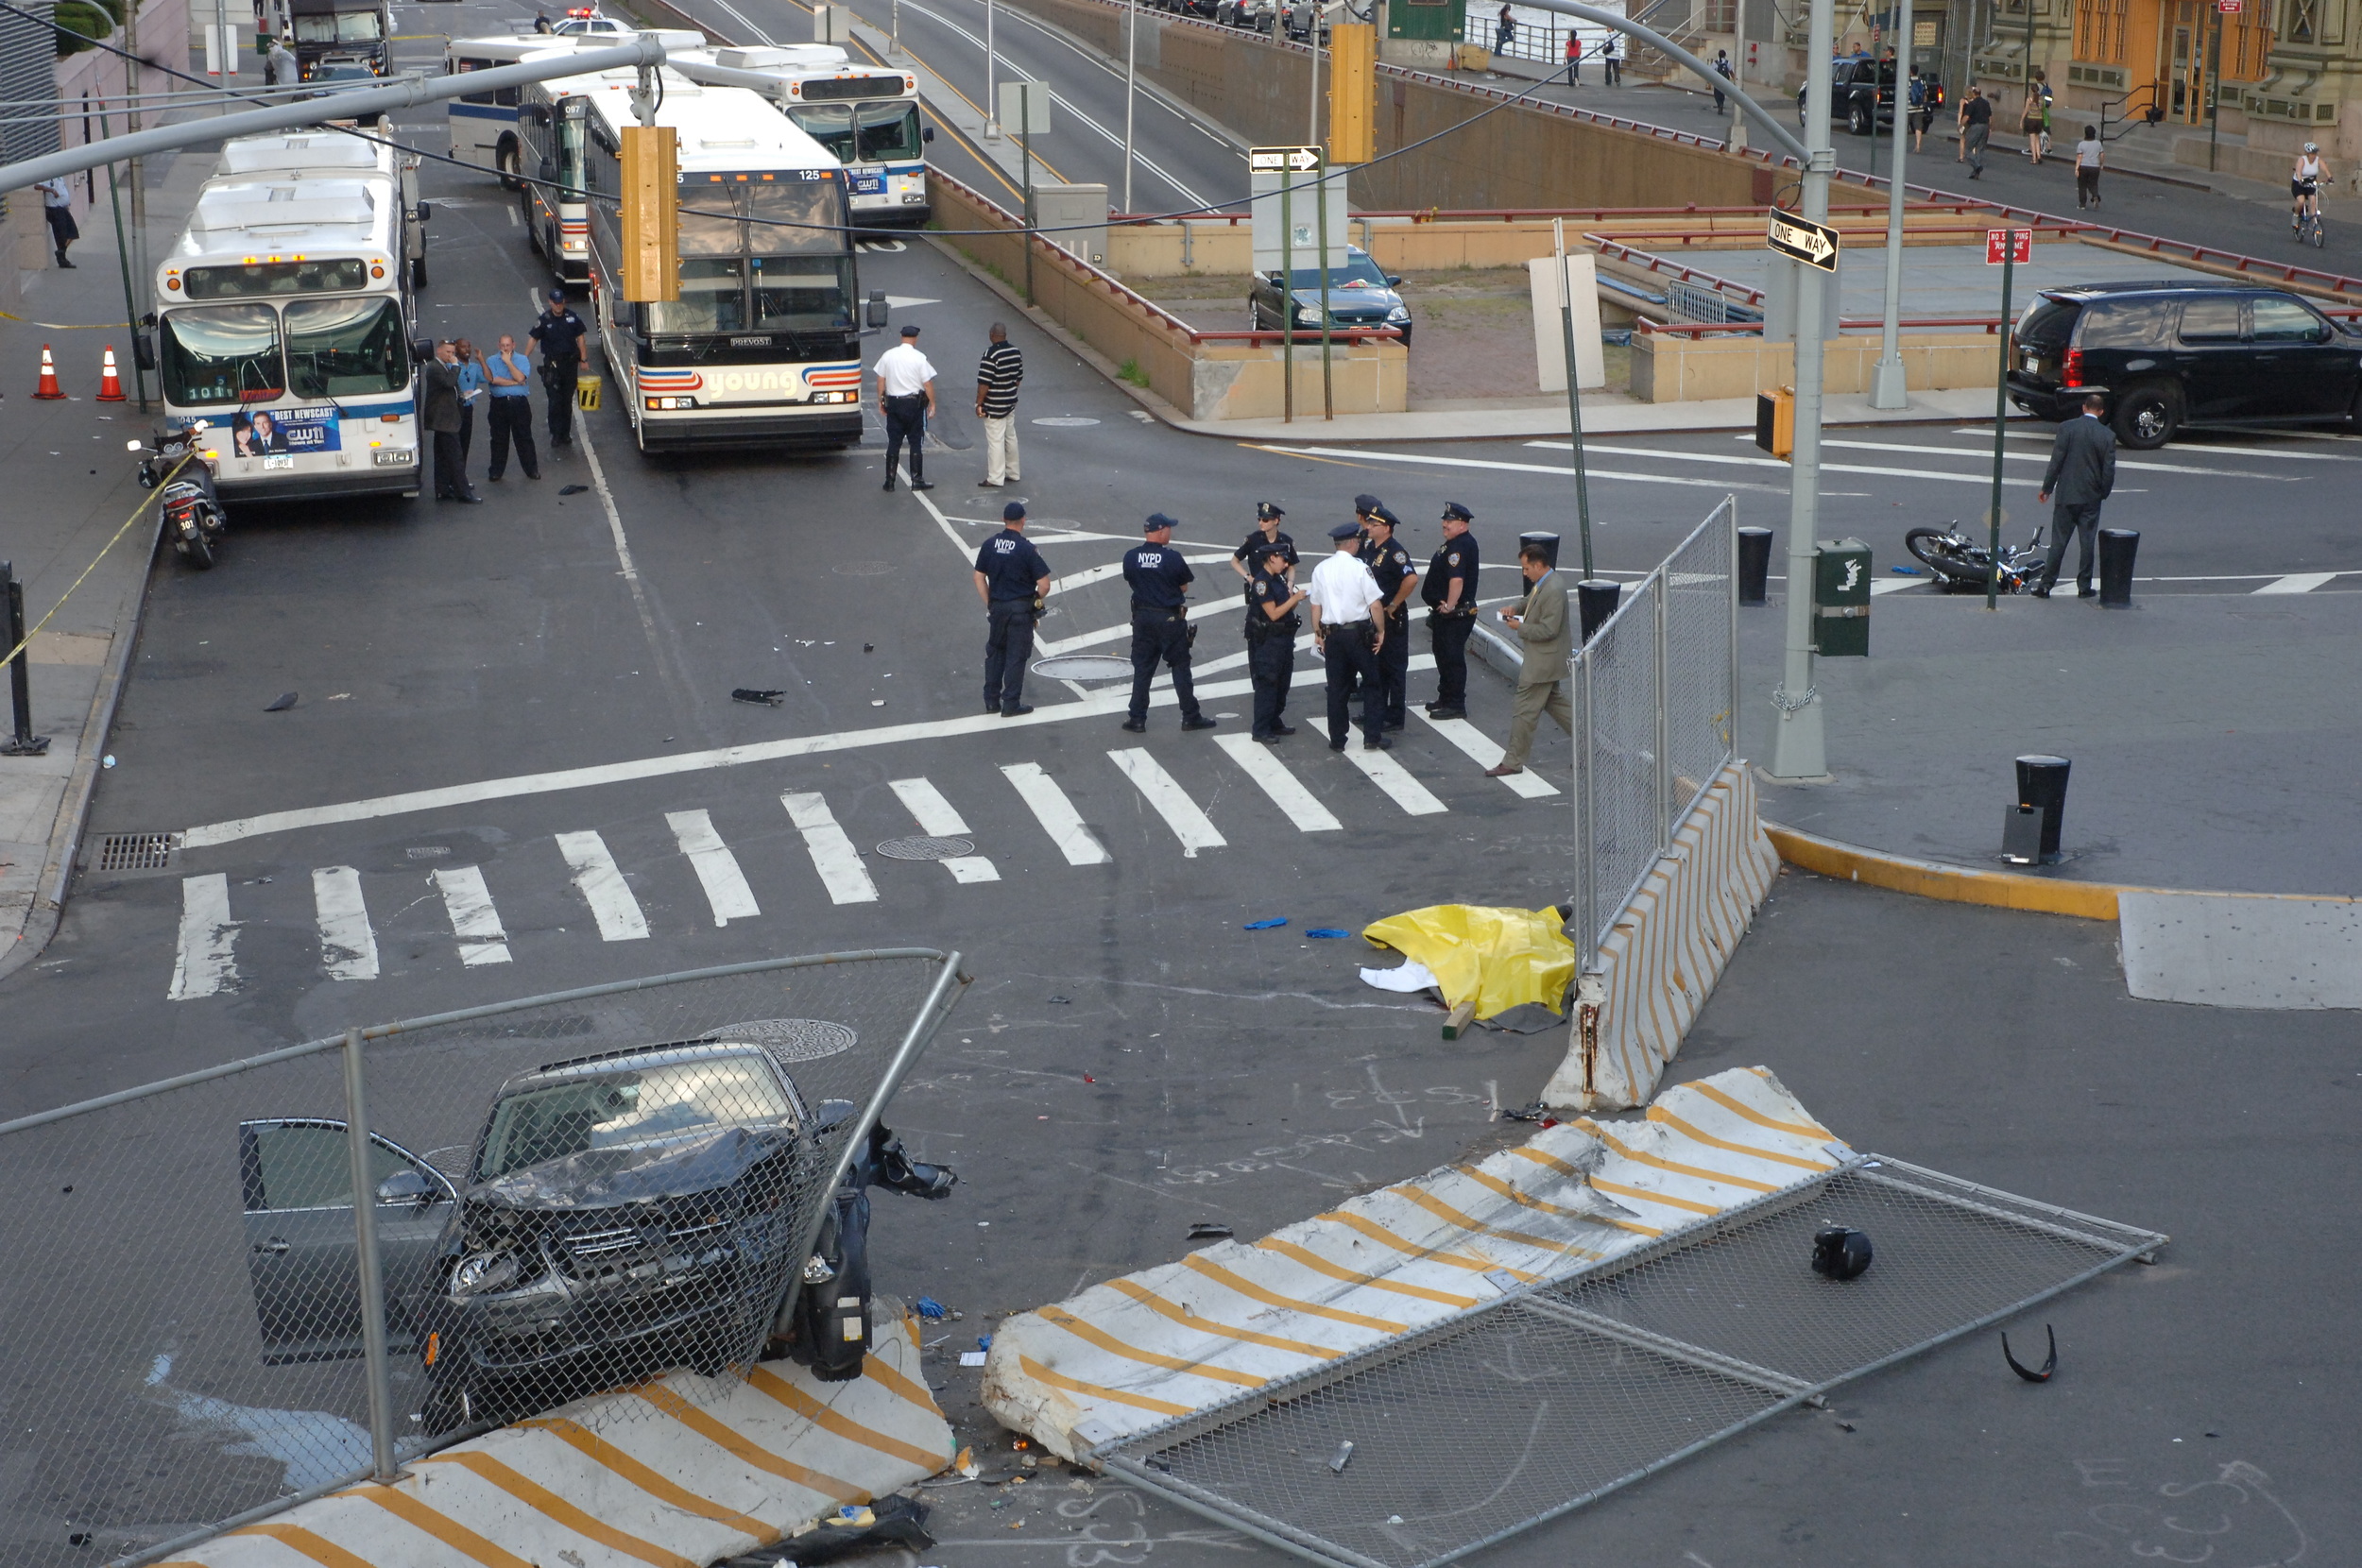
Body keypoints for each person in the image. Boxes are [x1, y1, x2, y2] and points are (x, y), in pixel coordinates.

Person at [1121, 515, 1216, 734]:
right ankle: (1190, 716)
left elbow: (1131, 580)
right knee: (1180, 667)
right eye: (1169, 529)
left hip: (1143, 618)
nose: (1171, 533)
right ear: (1161, 530)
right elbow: (1183, 587)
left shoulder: (1131, 556)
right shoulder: (1172, 558)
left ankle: (1136, 718)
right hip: (1169, 619)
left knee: (1143, 669)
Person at [1486, 541, 1572, 775]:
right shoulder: (1545, 583)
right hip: (1547, 663)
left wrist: (1518, 627)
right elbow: (1530, 601)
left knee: (1524, 712)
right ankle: (1592, 748)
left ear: (1538, 565)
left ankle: (1513, 762)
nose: (1525, 573)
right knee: (1559, 707)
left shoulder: (1553, 589)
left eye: (1526, 569)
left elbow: (1549, 629)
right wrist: (1514, 608)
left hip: (1542, 664)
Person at [1307, 520, 1388, 751]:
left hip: (1333, 636)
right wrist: (1380, 631)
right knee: (1372, 683)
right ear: (1353, 542)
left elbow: (1315, 607)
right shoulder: (1360, 568)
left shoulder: (1321, 569)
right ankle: (1372, 736)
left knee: (1337, 689)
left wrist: (1318, 634)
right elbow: (1374, 604)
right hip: (1359, 635)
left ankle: (1337, 739)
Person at [2033, 391, 2116, 599]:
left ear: (2084, 407)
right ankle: (2084, 586)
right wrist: (2102, 493)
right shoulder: (2107, 436)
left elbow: (2056, 462)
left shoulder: (2067, 428)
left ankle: (2046, 585)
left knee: (2058, 542)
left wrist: (2047, 488)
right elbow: (2108, 471)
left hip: (2066, 494)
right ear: (2101, 411)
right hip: (2091, 496)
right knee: (2087, 542)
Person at [974, 501, 1051, 716]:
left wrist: (990, 602)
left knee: (996, 652)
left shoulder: (990, 545)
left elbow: (978, 577)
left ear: (1003, 520)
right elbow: (1044, 584)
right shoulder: (1027, 549)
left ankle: (991, 700)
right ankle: (1011, 703)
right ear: (1023, 520)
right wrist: (1035, 600)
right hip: (1019, 610)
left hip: (998, 608)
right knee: (1016, 655)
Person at [1359, 506, 1418, 730]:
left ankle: (1394, 716)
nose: (1368, 528)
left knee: (1393, 667)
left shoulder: (1395, 552)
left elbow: (1411, 579)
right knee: (1375, 666)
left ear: (1386, 528)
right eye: (1369, 524)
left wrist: (1395, 603)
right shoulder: (1368, 547)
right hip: (1371, 617)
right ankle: (1376, 711)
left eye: (1373, 525)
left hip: (1390, 618)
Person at [1422, 502, 1480, 720]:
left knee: (1452, 657)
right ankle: (1445, 696)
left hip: (1455, 615)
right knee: (1443, 654)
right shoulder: (1454, 543)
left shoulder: (1460, 546)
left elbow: (1457, 580)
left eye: (1450, 521)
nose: (1444, 524)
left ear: (1463, 524)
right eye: (1444, 520)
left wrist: (1449, 605)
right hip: (1447, 615)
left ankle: (1455, 704)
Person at [1244, 539, 1306, 742]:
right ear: (1272, 558)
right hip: (1268, 641)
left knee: (1282, 682)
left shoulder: (1277, 579)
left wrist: (1293, 600)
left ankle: (1274, 719)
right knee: (1268, 683)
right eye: (1283, 559)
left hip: (1283, 638)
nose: (1286, 564)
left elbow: (1285, 610)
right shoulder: (1262, 582)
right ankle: (1261, 728)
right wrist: (1294, 599)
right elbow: (1272, 613)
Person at [875, 323, 936, 493]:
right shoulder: (919, 358)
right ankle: (917, 479)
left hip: (894, 404)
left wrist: (881, 401)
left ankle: (890, 481)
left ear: (901, 337)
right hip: (914, 405)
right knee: (915, 441)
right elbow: (927, 383)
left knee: (894, 442)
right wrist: (932, 403)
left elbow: (881, 379)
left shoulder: (888, 355)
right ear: (915, 338)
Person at [528, 288, 587, 452]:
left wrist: (584, 359)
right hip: (552, 366)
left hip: (569, 364)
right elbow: (533, 338)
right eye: (556, 303)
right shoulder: (545, 320)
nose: (559, 306)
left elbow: (580, 338)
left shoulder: (572, 317)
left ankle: (565, 433)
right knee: (554, 401)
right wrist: (523, 358)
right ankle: (555, 433)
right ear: (550, 302)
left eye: (561, 303)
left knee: (567, 400)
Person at [423, 340, 481, 504]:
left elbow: (451, 389)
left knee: (442, 456)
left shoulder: (443, 367)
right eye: (448, 352)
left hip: (445, 418)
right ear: (438, 352)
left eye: (453, 353)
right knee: (456, 456)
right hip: (444, 419)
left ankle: (442, 489)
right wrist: (457, 366)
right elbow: (448, 382)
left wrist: (463, 395)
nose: (451, 356)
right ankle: (463, 492)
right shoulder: (435, 367)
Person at [484, 332, 540, 481]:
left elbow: (521, 377)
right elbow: (494, 380)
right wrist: (515, 382)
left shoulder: (522, 359)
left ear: (513, 345)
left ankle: (531, 470)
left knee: (524, 437)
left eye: (508, 345)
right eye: (502, 345)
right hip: (498, 403)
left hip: (519, 403)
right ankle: (496, 471)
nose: (505, 348)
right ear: (498, 346)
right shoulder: (491, 360)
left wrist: (509, 363)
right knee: (498, 439)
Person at [974, 322, 1023, 487]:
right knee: (1010, 437)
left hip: (994, 405)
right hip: (1010, 402)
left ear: (992, 335)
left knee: (996, 441)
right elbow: (1018, 379)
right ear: (1005, 335)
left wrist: (979, 403)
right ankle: (1013, 472)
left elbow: (984, 383)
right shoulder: (1016, 352)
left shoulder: (991, 354)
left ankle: (995, 477)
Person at [1231, 500, 1297, 583]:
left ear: (1276, 521)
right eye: (1259, 519)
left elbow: (1291, 565)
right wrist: (1248, 577)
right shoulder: (1253, 539)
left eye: (1265, 520)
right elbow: (1234, 561)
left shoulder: (1286, 541)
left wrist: (1290, 583)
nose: (1261, 523)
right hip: (1259, 589)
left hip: (1280, 588)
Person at [454, 337, 485, 473]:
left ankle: (461, 477)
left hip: (468, 408)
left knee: (465, 443)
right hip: (455, 409)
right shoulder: (452, 366)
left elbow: (488, 378)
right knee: (455, 445)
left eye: (468, 346)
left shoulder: (474, 367)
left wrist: (482, 361)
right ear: (456, 349)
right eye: (463, 347)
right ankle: (453, 478)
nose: (467, 350)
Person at [37, 177, 77, 268]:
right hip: (55, 209)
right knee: (61, 235)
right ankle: (62, 258)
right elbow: (37, 186)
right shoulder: (48, 178)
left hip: (63, 208)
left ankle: (61, 252)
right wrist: (51, 190)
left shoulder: (60, 178)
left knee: (72, 232)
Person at [2293, 142, 2329, 232]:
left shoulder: (2318, 160)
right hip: (2299, 183)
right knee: (2301, 202)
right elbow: (2298, 171)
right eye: (2312, 154)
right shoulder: (2302, 160)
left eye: (2315, 153)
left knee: (2313, 202)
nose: (2314, 156)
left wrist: (2330, 177)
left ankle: (2315, 224)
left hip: (2311, 183)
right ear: (2307, 154)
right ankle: (2296, 215)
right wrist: (2300, 180)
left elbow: (2325, 168)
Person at [1960, 87, 1992, 179]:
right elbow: (1990, 118)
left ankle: (1977, 166)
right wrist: (1989, 128)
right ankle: (1976, 173)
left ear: (1974, 94)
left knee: (1967, 149)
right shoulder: (1986, 103)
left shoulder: (1973, 104)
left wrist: (1960, 125)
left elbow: (1966, 116)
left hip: (1976, 127)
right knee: (1980, 150)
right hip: (1985, 126)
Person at [2020, 72, 2048, 164]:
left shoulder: (2030, 99)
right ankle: (2039, 155)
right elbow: (2044, 109)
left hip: (2031, 120)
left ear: (2032, 90)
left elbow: (2025, 110)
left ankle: (2034, 158)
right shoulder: (2042, 100)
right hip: (2039, 120)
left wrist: (2021, 121)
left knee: (2032, 140)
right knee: (2037, 139)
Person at [2075, 124, 2105, 209]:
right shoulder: (2098, 144)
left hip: (2083, 166)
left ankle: (2082, 204)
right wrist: (2101, 164)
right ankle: (2095, 195)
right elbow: (2102, 155)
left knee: (2082, 185)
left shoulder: (2081, 144)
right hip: (2095, 167)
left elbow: (2079, 157)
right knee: (2094, 183)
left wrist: (2077, 168)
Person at [1907, 66, 1929, 151]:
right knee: (1918, 127)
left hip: (1909, 108)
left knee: (1905, 126)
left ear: (1910, 71)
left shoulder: (1908, 81)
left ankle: (1902, 145)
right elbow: (1926, 94)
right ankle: (1918, 145)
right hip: (1919, 108)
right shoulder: (1921, 81)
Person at [1712, 48, 1733, 113]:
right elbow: (1731, 71)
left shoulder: (1715, 63)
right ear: (1725, 55)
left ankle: (1719, 104)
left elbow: (1711, 71)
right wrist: (1735, 79)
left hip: (1717, 81)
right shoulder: (1727, 62)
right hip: (1725, 81)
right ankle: (1722, 104)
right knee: (1722, 94)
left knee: (1716, 94)